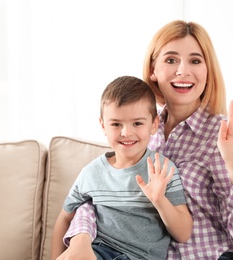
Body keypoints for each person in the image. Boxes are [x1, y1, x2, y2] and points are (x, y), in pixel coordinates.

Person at [59, 20, 233, 260]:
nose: (183, 70)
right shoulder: (140, 133)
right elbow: (99, 200)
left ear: (208, 72)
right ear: (153, 70)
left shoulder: (222, 136)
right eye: (171, 60)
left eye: (195, 61)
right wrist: (81, 235)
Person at [50, 75, 193, 260]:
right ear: (103, 125)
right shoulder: (91, 173)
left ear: (154, 124)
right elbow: (64, 218)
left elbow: (183, 233)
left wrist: (159, 200)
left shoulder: (162, 169)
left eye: (137, 123)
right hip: (99, 252)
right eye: (116, 124)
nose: (126, 132)